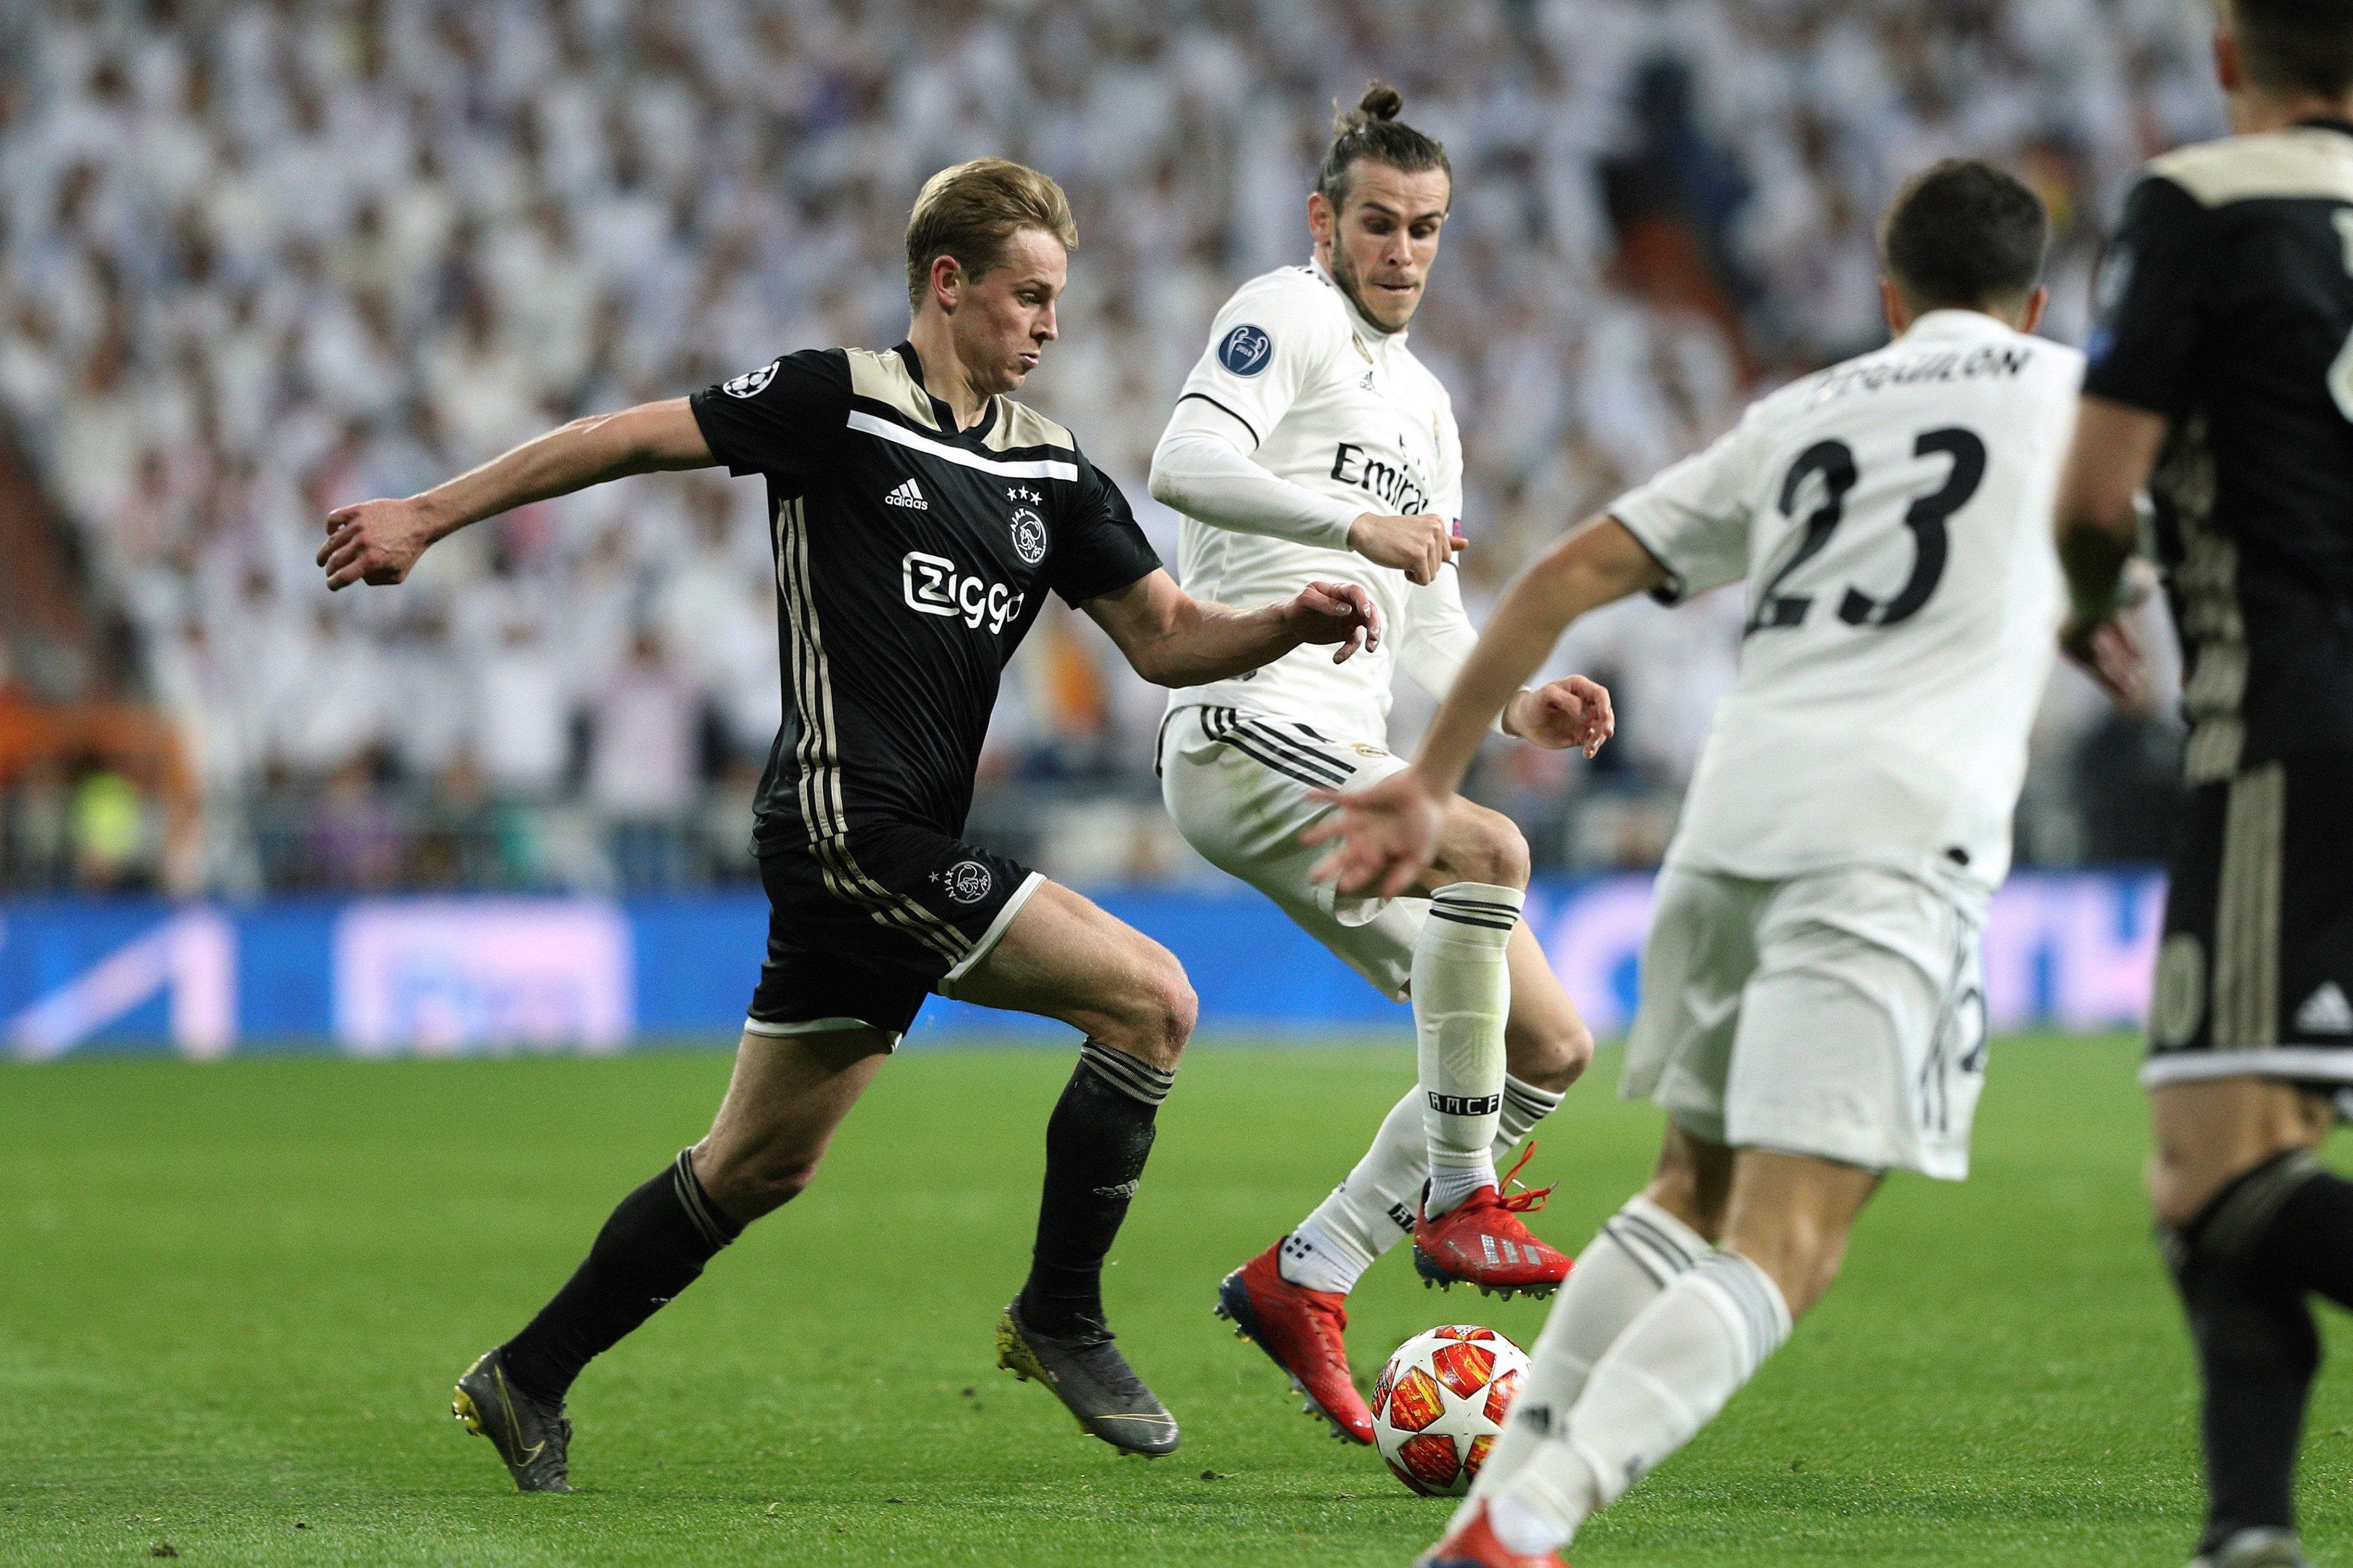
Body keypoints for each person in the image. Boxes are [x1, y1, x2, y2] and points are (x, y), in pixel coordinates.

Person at [316, 158, 1379, 1489]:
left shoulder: (1051, 469)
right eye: (1026, 296)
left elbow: (1165, 639)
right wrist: (427, 512)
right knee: (1151, 1003)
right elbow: (620, 439)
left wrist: (1287, 618)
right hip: (844, 825)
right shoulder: (836, 402)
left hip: (902, 847)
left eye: (1058, 299)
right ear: (947, 284)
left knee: (756, 1165)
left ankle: (526, 1376)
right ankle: (1060, 1312)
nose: (1049, 324)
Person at [1306, 160, 2079, 1567]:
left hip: (1731, 825)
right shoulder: (2071, 395)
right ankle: (1525, 1521)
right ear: (2030, 304)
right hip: (1892, 837)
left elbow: (1557, 579)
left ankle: (1490, 1518)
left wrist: (1429, 778)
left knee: (1685, 1193)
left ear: (1885, 296)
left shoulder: (1799, 414)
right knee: (1787, 1241)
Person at [1144, 82, 1613, 1446]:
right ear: (1322, 221)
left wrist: (1515, 702)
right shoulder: (1286, 313)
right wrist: (1352, 525)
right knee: (1491, 854)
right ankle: (1461, 1196)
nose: (1401, 251)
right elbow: (1183, 461)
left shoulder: (1426, 403)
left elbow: (1427, 619)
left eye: (1425, 229)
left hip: (1344, 740)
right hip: (1240, 714)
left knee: (1549, 1046)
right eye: (1377, 224)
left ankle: (1308, 1274)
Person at [2055, 3, 2353, 1563]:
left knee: (2209, 1168)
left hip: (2294, 729)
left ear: (2234, 51)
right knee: (2253, 1148)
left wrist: (2082, 591)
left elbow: (2098, 491)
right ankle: (2249, 1534)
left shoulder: (2203, 201)